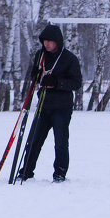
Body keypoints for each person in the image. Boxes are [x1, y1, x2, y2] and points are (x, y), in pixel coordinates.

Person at [18, 23, 83, 182]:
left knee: (60, 142)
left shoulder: (69, 58)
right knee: (34, 139)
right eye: (44, 40)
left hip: (61, 107)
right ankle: (26, 171)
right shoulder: (40, 55)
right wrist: (36, 76)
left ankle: (60, 173)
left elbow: (76, 83)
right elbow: (36, 76)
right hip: (43, 105)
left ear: (57, 42)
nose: (47, 44)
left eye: (50, 41)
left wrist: (56, 82)